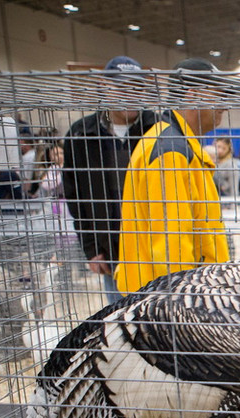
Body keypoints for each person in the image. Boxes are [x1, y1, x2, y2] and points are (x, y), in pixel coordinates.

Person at [115, 57, 231, 295]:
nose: (224, 105)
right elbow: (171, 247)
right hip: (167, 301)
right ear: (193, 95)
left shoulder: (179, 145)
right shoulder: (170, 151)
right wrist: (184, 305)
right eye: (218, 95)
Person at [62, 55, 158, 303]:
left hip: (157, 248)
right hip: (112, 250)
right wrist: (92, 249)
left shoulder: (159, 128)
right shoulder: (81, 134)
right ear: (105, 87)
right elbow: (76, 198)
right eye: (123, 87)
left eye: (137, 88)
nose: (131, 95)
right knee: (122, 316)